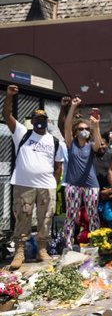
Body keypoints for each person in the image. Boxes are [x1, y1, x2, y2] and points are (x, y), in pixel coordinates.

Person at [3, 85, 65, 269]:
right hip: (24, 184)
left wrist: (53, 183)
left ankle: (42, 250)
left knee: (46, 217)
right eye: (37, 119)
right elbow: (7, 115)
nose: (40, 122)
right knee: (23, 217)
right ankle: (19, 253)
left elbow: (58, 165)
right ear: (32, 120)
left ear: (47, 121)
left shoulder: (54, 141)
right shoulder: (23, 133)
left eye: (43, 119)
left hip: (46, 186)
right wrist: (8, 96)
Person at [62, 97, 102, 247]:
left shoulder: (91, 145)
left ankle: (95, 244)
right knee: (71, 215)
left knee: (92, 215)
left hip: (91, 185)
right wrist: (72, 107)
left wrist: (96, 126)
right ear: (75, 131)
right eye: (80, 129)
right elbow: (66, 126)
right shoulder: (71, 144)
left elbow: (98, 145)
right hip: (73, 185)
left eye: (86, 129)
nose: (83, 131)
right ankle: (68, 244)